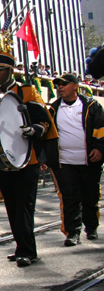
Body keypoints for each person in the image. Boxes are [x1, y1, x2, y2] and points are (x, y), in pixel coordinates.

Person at [0, 31, 57, 267]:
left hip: (28, 160)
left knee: (24, 207)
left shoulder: (27, 91)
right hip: (5, 163)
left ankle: (28, 250)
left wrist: (34, 129)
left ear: (10, 70)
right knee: (11, 207)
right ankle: (21, 248)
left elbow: (45, 120)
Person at [48, 72, 104, 247]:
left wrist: (99, 149)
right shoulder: (54, 108)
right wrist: (46, 157)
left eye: (64, 84)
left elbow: (101, 129)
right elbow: (48, 134)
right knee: (70, 198)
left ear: (75, 86)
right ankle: (72, 233)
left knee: (90, 196)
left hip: (89, 161)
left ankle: (91, 227)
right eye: (58, 85)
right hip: (64, 163)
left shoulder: (92, 105)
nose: (60, 88)